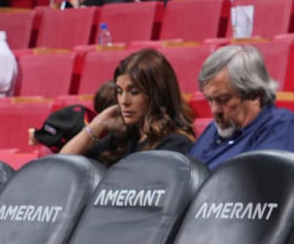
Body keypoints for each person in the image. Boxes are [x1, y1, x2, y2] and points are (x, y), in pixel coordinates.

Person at [59, 49, 197, 165]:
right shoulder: (125, 137)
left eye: (134, 92)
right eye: (119, 91)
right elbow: (62, 164)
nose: (124, 101)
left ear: (157, 95)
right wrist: (97, 125)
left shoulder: (175, 143)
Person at [189, 44, 294, 167]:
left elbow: (264, 182)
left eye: (223, 99)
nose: (215, 110)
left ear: (255, 95)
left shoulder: (281, 126)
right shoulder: (213, 129)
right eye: (210, 100)